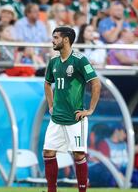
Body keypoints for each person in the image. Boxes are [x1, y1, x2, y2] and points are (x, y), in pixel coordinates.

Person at [43, 27, 101, 192]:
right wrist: (51, 105)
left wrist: (90, 110)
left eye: (55, 37)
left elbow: (96, 83)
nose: (53, 40)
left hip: (75, 118)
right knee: (48, 152)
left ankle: (82, 190)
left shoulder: (80, 59)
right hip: (57, 118)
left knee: (78, 155)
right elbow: (47, 83)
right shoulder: (53, 61)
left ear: (66, 40)